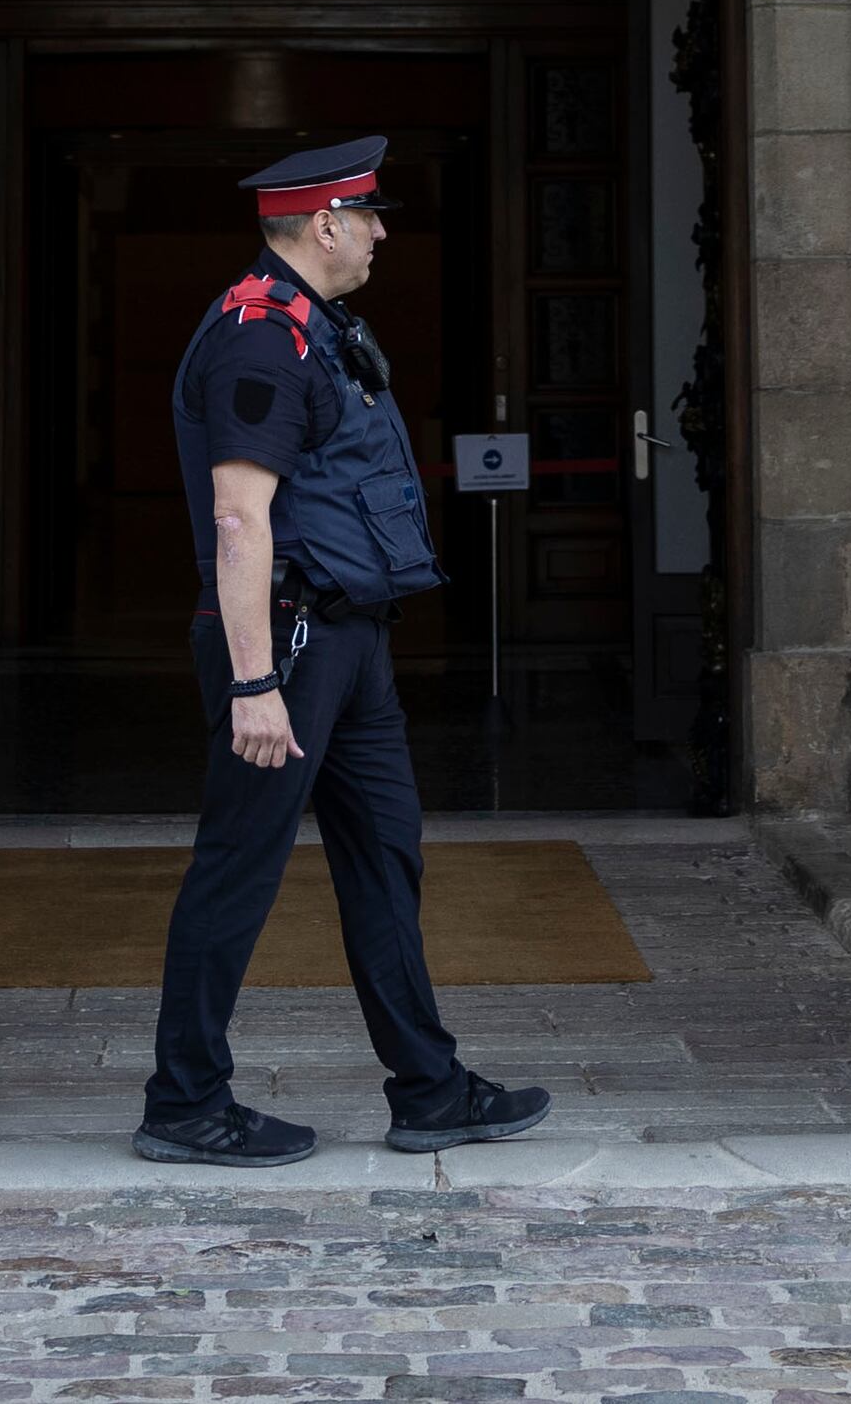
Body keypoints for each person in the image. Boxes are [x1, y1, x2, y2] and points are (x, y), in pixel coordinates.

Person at [133, 133, 553, 1168]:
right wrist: (253, 682)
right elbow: (240, 518)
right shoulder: (256, 336)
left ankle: (430, 1090)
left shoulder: (314, 325)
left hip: (348, 639)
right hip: (286, 640)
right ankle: (184, 1103)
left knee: (384, 860)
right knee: (238, 867)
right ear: (322, 224)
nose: (376, 234)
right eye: (366, 217)